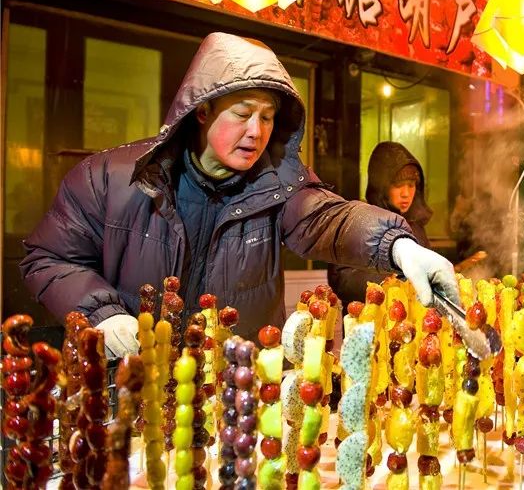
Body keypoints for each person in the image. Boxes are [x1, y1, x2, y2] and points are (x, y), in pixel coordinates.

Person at [20, 32, 457, 358]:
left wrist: (398, 246)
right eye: (243, 113)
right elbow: (47, 257)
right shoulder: (110, 178)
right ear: (202, 110)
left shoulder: (277, 186)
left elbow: (327, 217)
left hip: (234, 400)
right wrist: (104, 315)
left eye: (268, 117)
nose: (257, 131)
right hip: (130, 387)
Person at [327, 141, 432, 306]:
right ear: (381, 187)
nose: (406, 193)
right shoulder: (358, 221)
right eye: (398, 185)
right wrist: (398, 281)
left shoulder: (416, 227)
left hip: (410, 324)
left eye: (411, 185)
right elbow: (343, 280)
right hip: (367, 324)